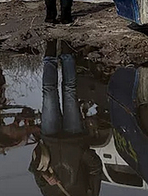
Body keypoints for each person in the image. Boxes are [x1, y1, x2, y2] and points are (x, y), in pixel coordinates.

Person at [29, 40, 102, 196]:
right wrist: (81, 154)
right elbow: (96, 168)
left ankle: (50, 49)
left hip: (49, 138)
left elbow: (34, 168)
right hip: (75, 137)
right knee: (70, 90)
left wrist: (46, 177)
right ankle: (67, 52)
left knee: (49, 92)